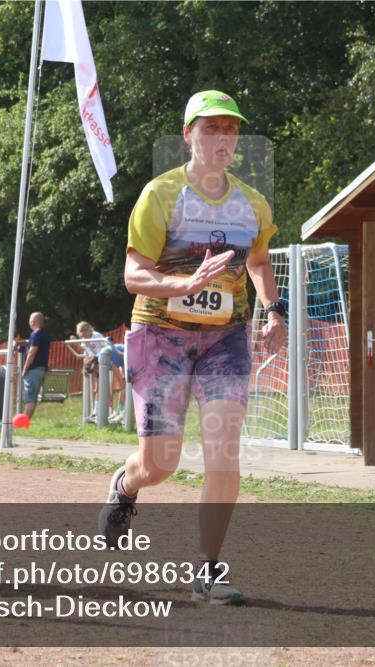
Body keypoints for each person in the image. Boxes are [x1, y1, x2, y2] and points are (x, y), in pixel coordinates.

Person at [98, 90, 287, 605]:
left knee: (223, 454)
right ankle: (127, 484)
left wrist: (273, 310)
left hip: (226, 339)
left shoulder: (253, 202)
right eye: (211, 128)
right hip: (161, 336)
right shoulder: (160, 195)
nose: (223, 138)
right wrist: (179, 285)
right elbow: (133, 274)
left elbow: (259, 262)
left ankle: (208, 571)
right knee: (160, 464)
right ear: (188, 135)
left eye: (231, 130)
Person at [72, 321, 108, 422]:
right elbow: (84, 351)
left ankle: (100, 412)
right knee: (97, 387)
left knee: (102, 387)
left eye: (85, 335)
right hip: (95, 362)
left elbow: (106, 347)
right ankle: (96, 411)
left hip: (103, 362)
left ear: (88, 330)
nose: (84, 337)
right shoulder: (84, 339)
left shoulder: (96, 335)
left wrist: (97, 360)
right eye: (82, 336)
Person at [21, 312, 50, 419]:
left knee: (30, 398)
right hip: (41, 369)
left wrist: (24, 370)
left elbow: (32, 352)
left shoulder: (36, 334)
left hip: (34, 369)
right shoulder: (44, 334)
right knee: (32, 397)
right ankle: (24, 421)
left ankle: (23, 423)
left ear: (33, 321)